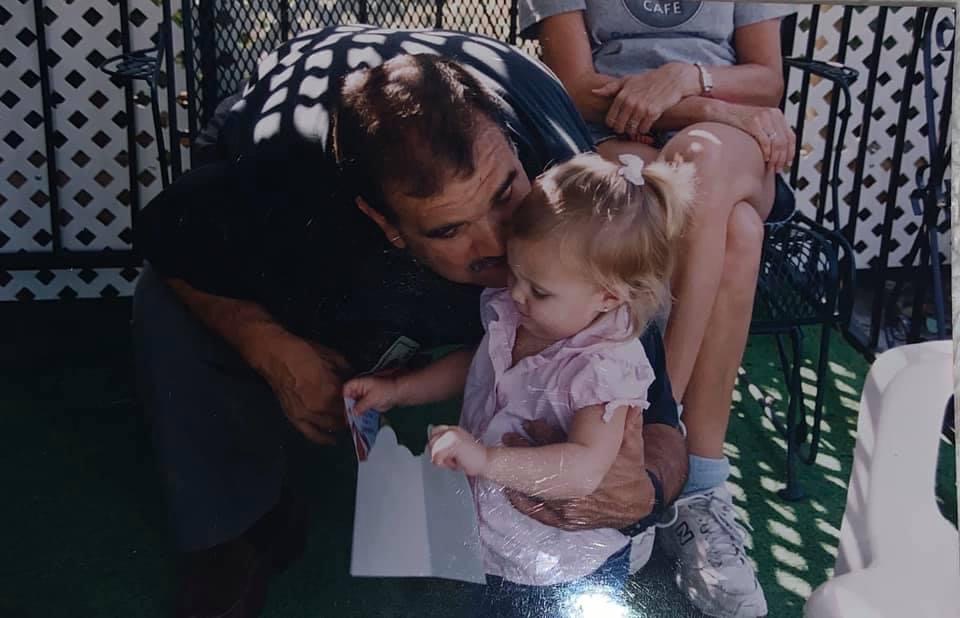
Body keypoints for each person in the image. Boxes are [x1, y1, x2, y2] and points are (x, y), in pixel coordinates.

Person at [133, 26, 688, 618]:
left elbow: (659, 416)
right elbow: (165, 234)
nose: (500, 245)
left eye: (505, 195)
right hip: (305, 192)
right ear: (384, 223)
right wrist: (271, 347)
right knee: (166, 306)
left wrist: (646, 491)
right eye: (450, 229)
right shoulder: (285, 181)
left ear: (514, 148)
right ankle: (232, 532)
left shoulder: (571, 200)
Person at [519, 2, 797, 616]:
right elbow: (576, 86)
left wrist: (688, 80)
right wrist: (710, 106)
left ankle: (648, 435)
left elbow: (766, 79)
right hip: (622, 135)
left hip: (729, 144)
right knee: (738, 233)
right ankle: (699, 481)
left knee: (700, 159)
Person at [343, 152, 694, 615]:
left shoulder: (604, 367)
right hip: (497, 542)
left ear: (608, 297)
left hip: (560, 567)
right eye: (515, 271)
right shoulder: (523, 312)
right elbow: (476, 364)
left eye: (539, 290)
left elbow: (585, 468)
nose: (516, 294)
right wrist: (399, 390)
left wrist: (487, 459)